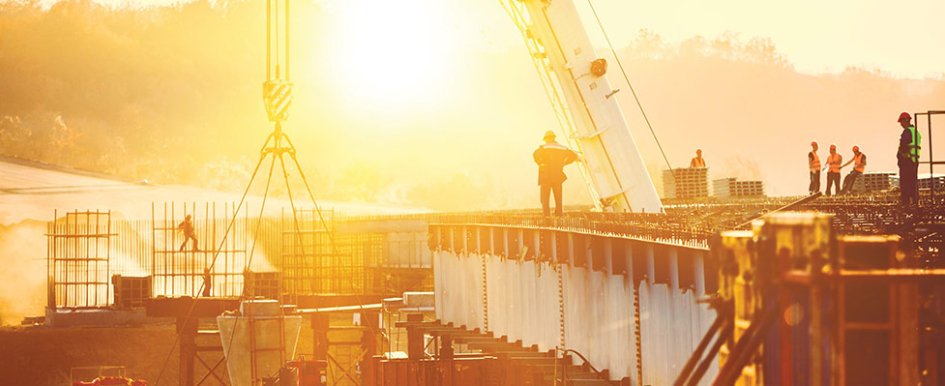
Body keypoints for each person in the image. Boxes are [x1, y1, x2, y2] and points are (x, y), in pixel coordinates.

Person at [533, 130, 577, 216]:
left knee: (545, 199)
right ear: (554, 138)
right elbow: (574, 156)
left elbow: (535, 155)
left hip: (545, 176)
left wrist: (540, 163)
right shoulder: (563, 148)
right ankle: (559, 216)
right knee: (558, 198)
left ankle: (546, 217)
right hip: (557, 175)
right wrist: (564, 163)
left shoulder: (543, 148)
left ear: (546, 139)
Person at [897, 112, 922, 206]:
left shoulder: (907, 131)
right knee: (913, 183)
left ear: (905, 120)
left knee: (905, 184)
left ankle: (906, 204)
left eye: (901, 122)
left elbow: (903, 146)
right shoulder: (916, 132)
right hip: (914, 161)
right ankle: (915, 203)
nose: (901, 124)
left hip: (907, 161)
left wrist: (901, 157)